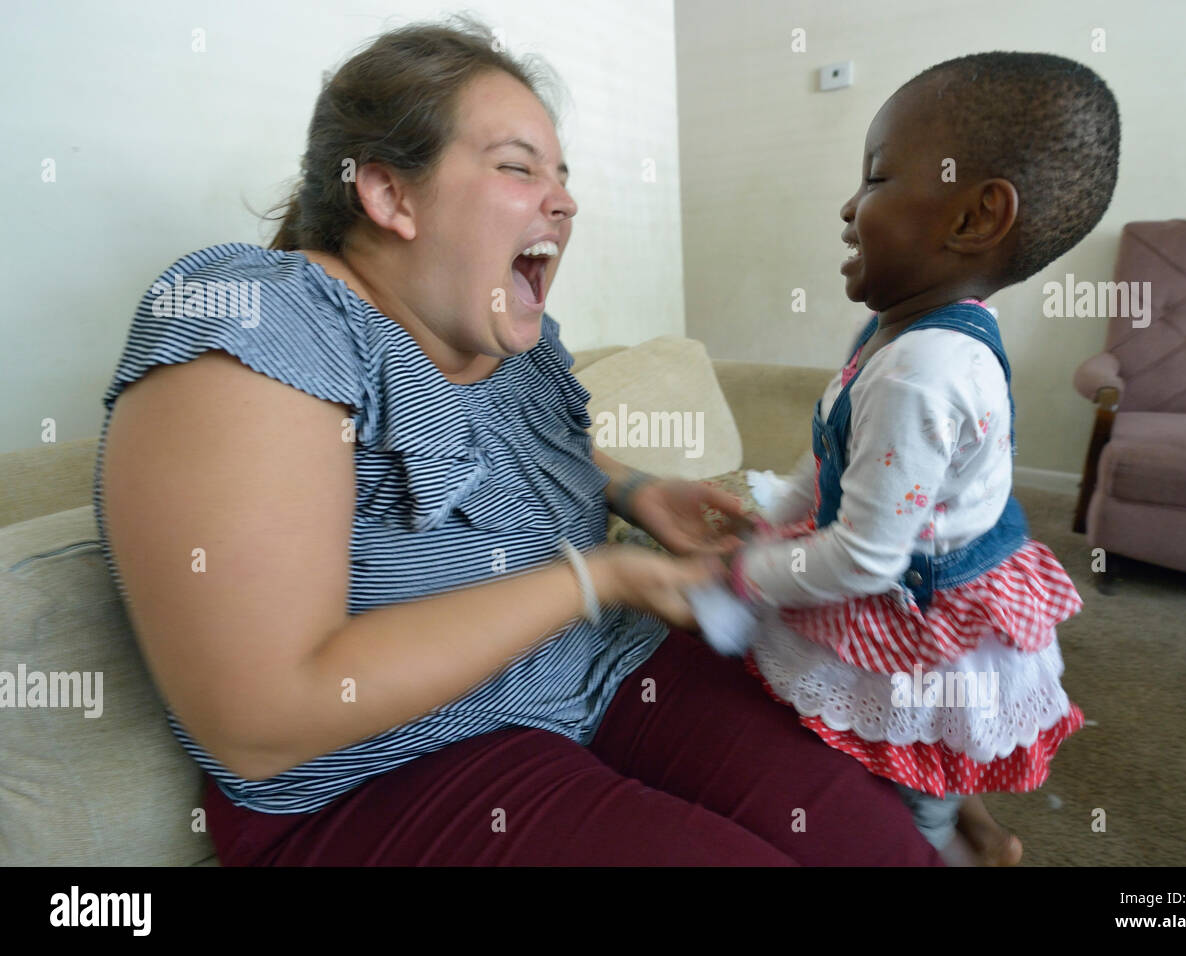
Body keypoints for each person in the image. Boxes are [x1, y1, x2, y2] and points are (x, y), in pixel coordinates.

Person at [93, 19, 942, 866]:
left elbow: (479, 449)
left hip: (595, 667)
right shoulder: (258, 323)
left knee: (882, 843)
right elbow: (259, 720)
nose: (564, 200)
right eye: (516, 167)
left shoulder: (498, 338)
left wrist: (634, 490)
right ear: (390, 194)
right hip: (391, 766)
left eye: (562, 175)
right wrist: (594, 575)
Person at [727, 52, 1121, 865]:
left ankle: (942, 844)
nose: (847, 207)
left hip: (928, 612)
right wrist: (768, 516)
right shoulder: (896, 334)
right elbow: (831, 459)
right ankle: (981, 827)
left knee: (911, 781)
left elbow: (868, 557)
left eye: (874, 179)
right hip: (915, 563)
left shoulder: (921, 371)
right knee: (909, 743)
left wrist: (744, 574)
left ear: (974, 218)